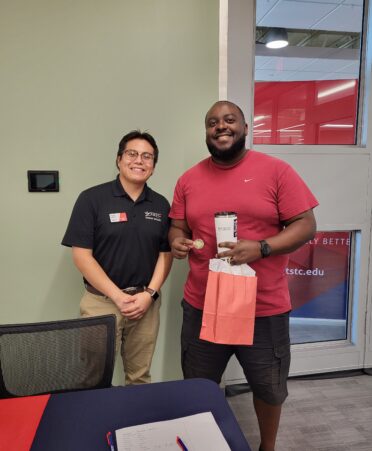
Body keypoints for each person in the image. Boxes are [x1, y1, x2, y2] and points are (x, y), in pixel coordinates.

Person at [169, 101, 318, 451]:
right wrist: (176, 241)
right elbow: (177, 225)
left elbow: (306, 225)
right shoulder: (188, 179)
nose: (221, 127)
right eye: (212, 123)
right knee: (198, 386)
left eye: (229, 120)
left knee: (268, 388)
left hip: (262, 309)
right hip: (203, 306)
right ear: (206, 132)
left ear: (246, 128)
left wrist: (262, 247)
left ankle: (267, 447)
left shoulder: (276, 171)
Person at [62, 130, 172, 385]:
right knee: (94, 378)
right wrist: (118, 296)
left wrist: (150, 294)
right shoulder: (92, 199)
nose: (139, 161)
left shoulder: (160, 205)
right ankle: (98, 426)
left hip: (145, 303)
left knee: (139, 377)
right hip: (101, 302)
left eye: (147, 157)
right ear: (119, 159)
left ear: (153, 167)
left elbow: (165, 255)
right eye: (132, 154)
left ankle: (136, 426)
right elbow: (81, 256)